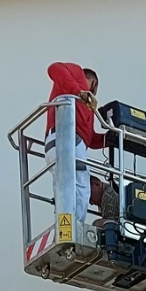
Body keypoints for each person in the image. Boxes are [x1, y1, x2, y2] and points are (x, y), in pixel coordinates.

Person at [45, 62, 105, 231]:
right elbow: (54, 68)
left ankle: (64, 228)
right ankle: (74, 229)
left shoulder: (87, 106)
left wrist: (111, 138)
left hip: (61, 143)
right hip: (65, 138)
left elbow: (90, 139)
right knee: (81, 187)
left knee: (64, 189)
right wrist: (80, 92)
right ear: (93, 83)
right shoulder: (73, 75)